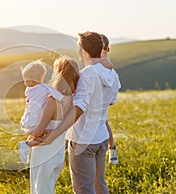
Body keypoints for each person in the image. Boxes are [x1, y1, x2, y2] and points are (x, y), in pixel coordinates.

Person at [39, 32, 121, 194]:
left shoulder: (86, 75)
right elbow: (111, 101)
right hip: (102, 137)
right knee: (100, 184)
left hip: (82, 140)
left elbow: (79, 108)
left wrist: (54, 134)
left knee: (83, 188)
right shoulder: (113, 75)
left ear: (83, 50)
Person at [21, 57, 80, 194]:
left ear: (59, 74)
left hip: (43, 153)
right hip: (58, 154)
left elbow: (38, 131)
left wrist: (27, 131)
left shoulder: (52, 100)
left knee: (39, 191)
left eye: (54, 71)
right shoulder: (72, 100)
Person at [18, 60, 65, 164]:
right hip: (36, 120)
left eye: (26, 80)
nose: (25, 83)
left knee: (37, 134)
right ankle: (27, 145)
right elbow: (58, 96)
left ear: (32, 81)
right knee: (44, 135)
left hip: (28, 120)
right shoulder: (45, 88)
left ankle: (26, 145)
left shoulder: (28, 90)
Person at [100, 34, 119, 165]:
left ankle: (112, 149)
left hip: (100, 99)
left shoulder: (104, 62)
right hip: (104, 99)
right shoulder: (104, 62)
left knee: (104, 123)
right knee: (104, 123)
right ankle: (112, 150)